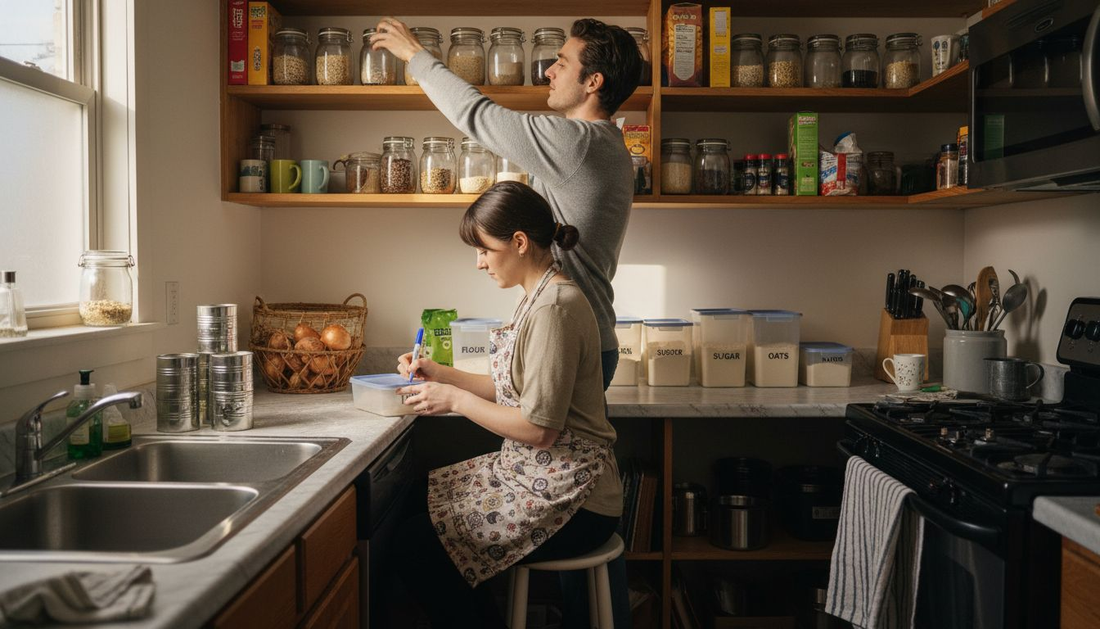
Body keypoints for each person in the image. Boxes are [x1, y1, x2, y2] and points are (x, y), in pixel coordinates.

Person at [372, 18, 641, 625]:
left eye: (563, 63)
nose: (548, 70)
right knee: (564, 500)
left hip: (573, 335)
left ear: (594, 81)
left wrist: (417, 55)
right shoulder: (589, 152)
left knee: (569, 498)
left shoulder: (579, 143)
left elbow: (479, 117)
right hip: (579, 334)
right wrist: (444, 376)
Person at [393, 182, 623, 628]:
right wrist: (441, 373)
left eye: (483, 250)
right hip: (537, 477)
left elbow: (539, 429)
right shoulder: (537, 297)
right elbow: (519, 391)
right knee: (414, 502)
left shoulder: (555, 308)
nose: (478, 262)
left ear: (519, 242)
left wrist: (455, 399)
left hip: (576, 498)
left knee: (414, 545)